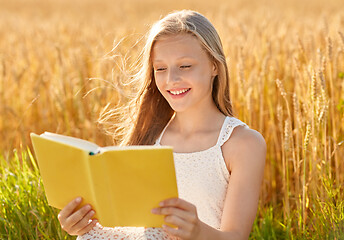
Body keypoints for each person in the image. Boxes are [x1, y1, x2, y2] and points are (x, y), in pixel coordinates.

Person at [57, 10, 266, 240]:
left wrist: (197, 231)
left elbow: (236, 237)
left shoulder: (242, 144)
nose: (171, 79)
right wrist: (82, 225)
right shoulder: (146, 137)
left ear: (215, 66)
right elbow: (130, 225)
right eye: (161, 69)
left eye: (185, 66)